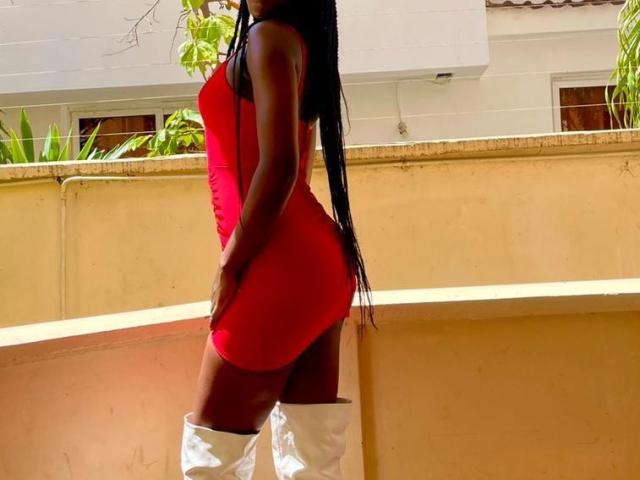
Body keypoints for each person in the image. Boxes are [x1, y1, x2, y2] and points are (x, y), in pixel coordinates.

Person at [181, 0, 374, 478]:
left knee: (212, 461)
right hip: (320, 270)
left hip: (278, 270)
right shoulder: (298, 44)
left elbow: (282, 167)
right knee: (312, 460)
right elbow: (298, 165)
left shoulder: (267, 38)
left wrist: (230, 265)